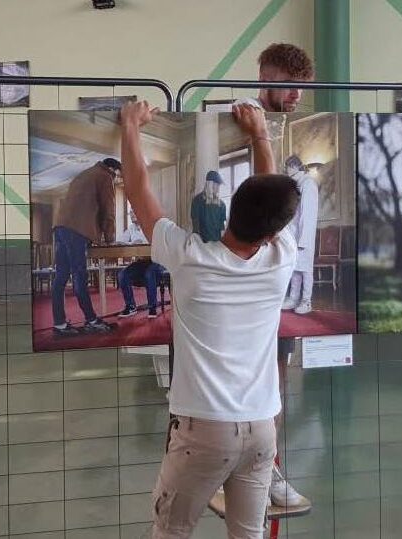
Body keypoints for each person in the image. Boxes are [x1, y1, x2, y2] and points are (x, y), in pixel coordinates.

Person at [120, 100, 300, 539]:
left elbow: (138, 189)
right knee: (248, 535)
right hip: (262, 428)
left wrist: (129, 126)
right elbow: (269, 196)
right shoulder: (281, 257)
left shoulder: (189, 257)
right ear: (274, 232)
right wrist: (259, 133)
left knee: (170, 532)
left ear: (230, 205)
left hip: (203, 431)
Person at [234, 42, 314, 507]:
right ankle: (198, 467)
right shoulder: (234, 115)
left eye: (303, 89)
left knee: (274, 381)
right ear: (266, 78)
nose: (298, 96)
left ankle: (269, 472)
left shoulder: (295, 133)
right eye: (290, 86)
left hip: (271, 269)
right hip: (229, 265)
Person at [50, 158, 120, 337]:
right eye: (117, 176)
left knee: (61, 277)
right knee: (80, 275)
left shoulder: (84, 174)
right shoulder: (105, 176)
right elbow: (108, 210)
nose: (116, 180)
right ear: (113, 170)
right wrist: (110, 238)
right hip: (77, 231)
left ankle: (59, 325)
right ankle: (91, 321)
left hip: (60, 227)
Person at [282, 154, 319, 315]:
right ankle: (293, 297)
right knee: (295, 268)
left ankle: (306, 301)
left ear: (296, 167)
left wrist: (303, 239)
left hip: (304, 235)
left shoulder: (308, 184)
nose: (287, 170)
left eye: (289, 167)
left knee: (305, 269)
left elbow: (307, 215)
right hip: (293, 234)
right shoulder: (296, 184)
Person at [117, 210, 166, 319]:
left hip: (157, 261)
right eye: (130, 212)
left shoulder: (151, 226)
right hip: (141, 262)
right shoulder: (131, 228)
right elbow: (120, 241)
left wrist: (142, 243)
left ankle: (152, 307)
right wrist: (130, 243)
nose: (132, 214)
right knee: (122, 274)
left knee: (149, 273)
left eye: (134, 211)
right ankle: (131, 306)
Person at [191, 170, 227, 242]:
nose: (218, 188)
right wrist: (198, 243)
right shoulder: (197, 201)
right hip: (201, 243)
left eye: (219, 185)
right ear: (210, 184)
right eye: (217, 184)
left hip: (216, 244)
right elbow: (195, 224)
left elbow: (222, 226)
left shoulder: (222, 204)